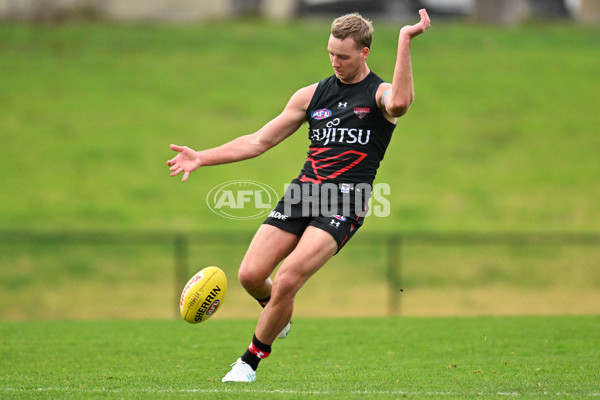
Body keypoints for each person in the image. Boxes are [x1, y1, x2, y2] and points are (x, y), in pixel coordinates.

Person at [167, 9, 430, 383]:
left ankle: (248, 362)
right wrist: (202, 157)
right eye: (331, 54)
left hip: (345, 203)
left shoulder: (379, 94)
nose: (336, 63)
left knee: (288, 279)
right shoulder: (312, 95)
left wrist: (404, 39)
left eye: (344, 56)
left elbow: (401, 102)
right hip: (303, 195)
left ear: (365, 53)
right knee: (251, 275)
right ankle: (278, 311)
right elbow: (259, 141)